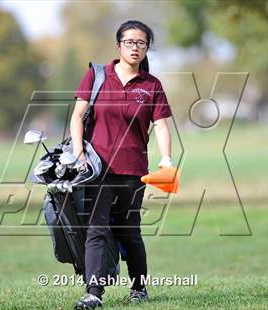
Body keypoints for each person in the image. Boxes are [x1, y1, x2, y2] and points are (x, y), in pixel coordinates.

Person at [70, 20, 173, 309]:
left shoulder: (152, 85)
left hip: (134, 171)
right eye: (129, 42)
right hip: (97, 168)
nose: (135, 47)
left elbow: (162, 127)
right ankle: (93, 293)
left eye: (141, 43)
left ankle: (139, 288)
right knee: (96, 229)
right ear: (119, 45)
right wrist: (78, 154)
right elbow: (77, 116)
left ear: (147, 47)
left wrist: (166, 160)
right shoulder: (96, 76)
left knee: (129, 230)